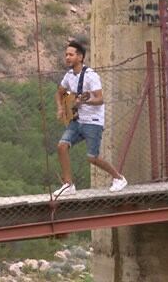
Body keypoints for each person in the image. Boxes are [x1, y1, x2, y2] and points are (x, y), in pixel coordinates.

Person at [53, 41, 127, 197]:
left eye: (71, 55)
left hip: (93, 122)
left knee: (92, 158)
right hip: (77, 120)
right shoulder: (69, 76)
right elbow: (59, 92)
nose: (67, 57)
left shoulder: (90, 76)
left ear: (80, 57)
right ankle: (68, 184)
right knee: (62, 146)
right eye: (66, 54)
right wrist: (60, 108)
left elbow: (100, 99)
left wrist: (83, 101)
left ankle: (118, 178)